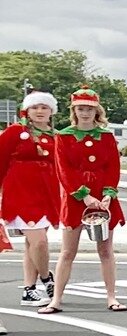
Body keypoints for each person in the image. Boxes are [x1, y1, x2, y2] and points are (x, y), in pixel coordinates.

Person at [43, 89, 125, 313]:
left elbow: (113, 166)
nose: (85, 113)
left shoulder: (106, 136)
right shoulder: (64, 136)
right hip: (76, 198)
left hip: (103, 198)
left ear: (96, 111)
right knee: (68, 251)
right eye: (81, 108)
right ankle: (56, 299)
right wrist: (84, 196)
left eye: (89, 108)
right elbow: (64, 170)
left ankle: (111, 297)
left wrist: (108, 194)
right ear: (74, 111)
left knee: (106, 250)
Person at [1, 90, 61, 305]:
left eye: (44, 107)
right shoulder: (15, 132)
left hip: (48, 193)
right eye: (35, 107)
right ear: (27, 110)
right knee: (39, 243)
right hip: (21, 192)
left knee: (31, 244)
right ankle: (47, 278)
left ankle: (29, 289)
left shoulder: (55, 136)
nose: (39, 111)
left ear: (51, 112)